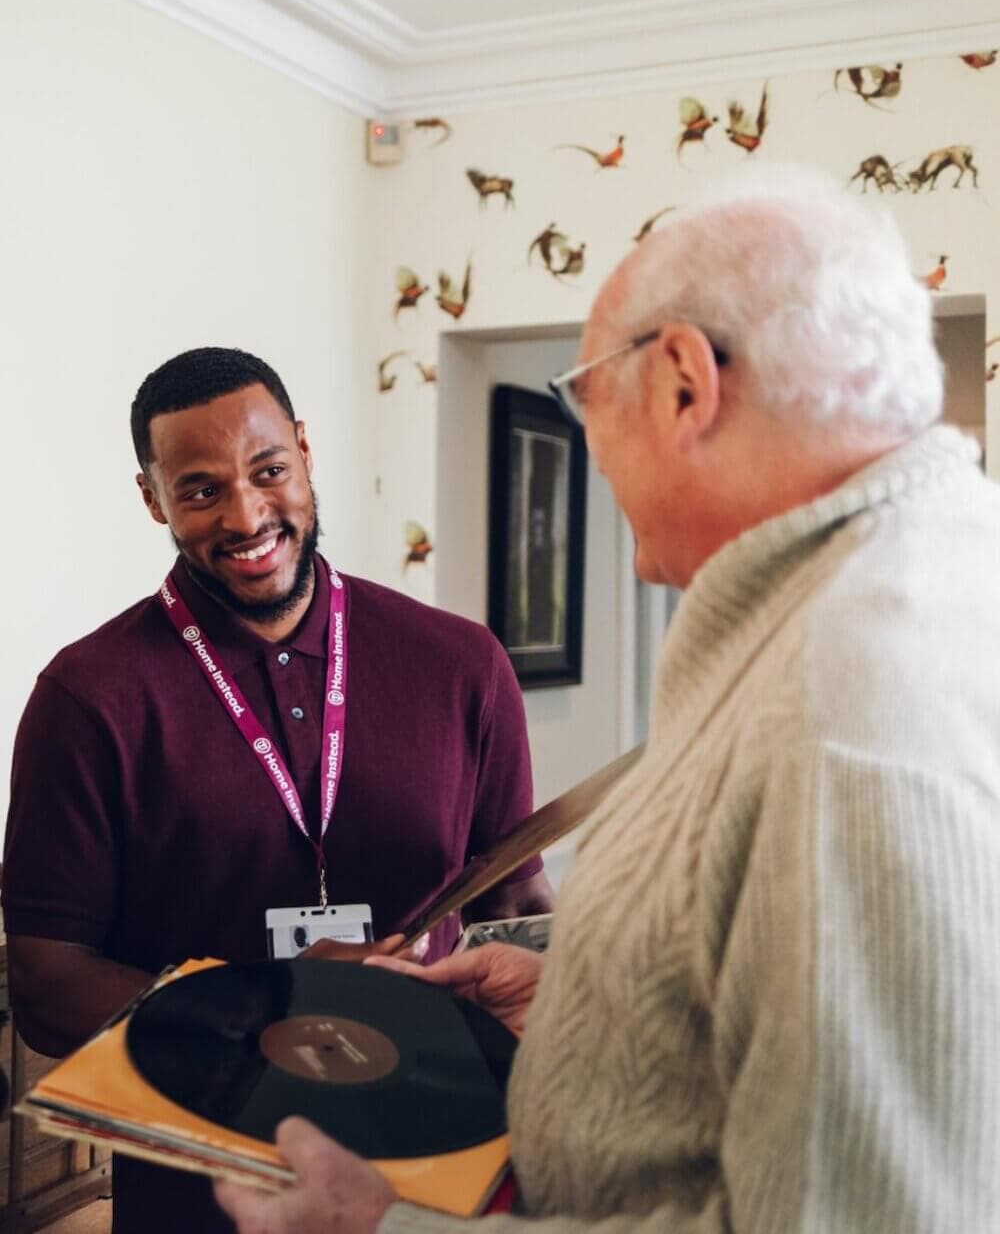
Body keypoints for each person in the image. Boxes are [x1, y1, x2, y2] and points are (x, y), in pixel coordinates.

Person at [216, 169, 1000, 1234]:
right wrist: (595, 1006)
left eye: (584, 394)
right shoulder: (879, 600)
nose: (588, 440)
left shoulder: (851, 710)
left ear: (683, 380)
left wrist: (383, 1230)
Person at [2, 347, 552, 1234]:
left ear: (302, 448)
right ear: (153, 499)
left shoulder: (462, 665)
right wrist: (266, 1005)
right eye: (201, 489)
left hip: (441, 1185)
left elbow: (519, 900)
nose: (248, 514)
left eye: (268, 471)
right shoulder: (86, 696)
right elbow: (45, 985)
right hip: (199, 1196)